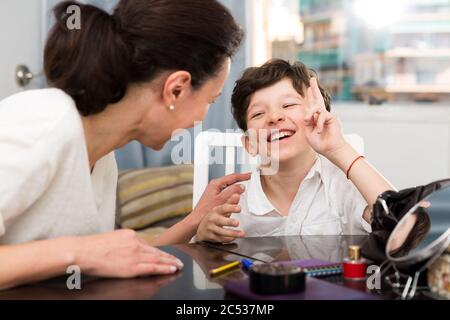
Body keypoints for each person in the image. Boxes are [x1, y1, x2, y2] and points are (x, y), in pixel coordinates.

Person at [0, 0, 250, 290]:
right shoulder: (41, 124)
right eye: (210, 101)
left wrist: (195, 219)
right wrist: (80, 252)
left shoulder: (102, 155)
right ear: (176, 90)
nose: (201, 118)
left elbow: (115, 256)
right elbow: (88, 256)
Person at [196, 59, 397, 243]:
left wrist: (339, 149)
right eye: (258, 113)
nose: (274, 116)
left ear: (318, 119)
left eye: (289, 104)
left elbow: (404, 230)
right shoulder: (233, 202)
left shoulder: (344, 185)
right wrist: (204, 236)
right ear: (250, 143)